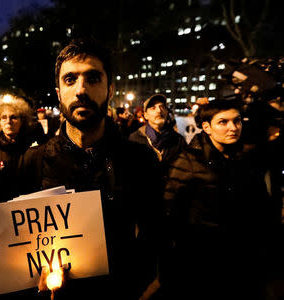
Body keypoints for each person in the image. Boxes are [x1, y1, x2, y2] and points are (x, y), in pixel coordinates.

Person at [20, 38, 162, 299]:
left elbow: (154, 236)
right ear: (58, 91)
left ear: (110, 89)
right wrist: (33, 276)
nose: (81, 90)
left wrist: (129, 286)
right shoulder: (33, 161)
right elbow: (22, 244)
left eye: (93, 78)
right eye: (70, 79)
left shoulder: (140, 160)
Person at [162, 99, 272, 300]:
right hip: (202, 264)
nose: (233, 128)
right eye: (223, 122)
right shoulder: (187, 161)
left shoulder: (248, 159)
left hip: (245, 262)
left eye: (237, 121)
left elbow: (263, 207)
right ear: (206, 127)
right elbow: (168, 213)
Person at [0, 94, 38, 204]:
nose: (8, 121)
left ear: (23, 120)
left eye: (13, 117)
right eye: (3, 117)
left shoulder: (34, 149)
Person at [129, 94, 186, 166]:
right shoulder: (134, 139)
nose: (159, 111)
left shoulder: (178, 140)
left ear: (167, 112)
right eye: (153, 108)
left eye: (162, 107)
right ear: (146, 115)